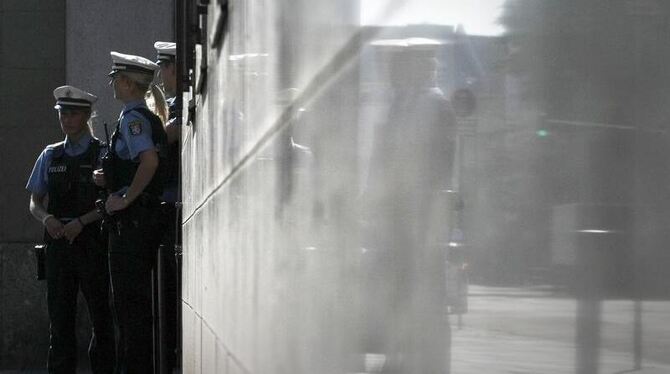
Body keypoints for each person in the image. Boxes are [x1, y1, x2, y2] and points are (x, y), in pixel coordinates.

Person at [26, 85, 115, 374]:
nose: (66, 119)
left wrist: (83, 221)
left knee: (101, 318)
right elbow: (34, 200)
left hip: (92, 241)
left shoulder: (103, 153)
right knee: (60, 322)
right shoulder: (50, 155)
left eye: (73, 114)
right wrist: (46, 218)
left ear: (87, 115)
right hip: (59, 243)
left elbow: (112, 201)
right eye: (62, 113)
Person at [95, 51, 168, 374]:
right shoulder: (142, 117)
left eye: (115, 79)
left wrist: (125, 199)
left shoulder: (133, 119)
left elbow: (148, 161)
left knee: (129, 308)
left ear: (126, 83)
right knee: (133, 307)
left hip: (132, 225)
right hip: (142, 220)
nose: (113, 84)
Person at [154, 40, 181, 372]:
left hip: (174, 204)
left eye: (164, 66)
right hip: (163, 205)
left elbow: (161, 138)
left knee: (173, 295)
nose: (161, 73)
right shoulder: (165, 104)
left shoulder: (179, 105)